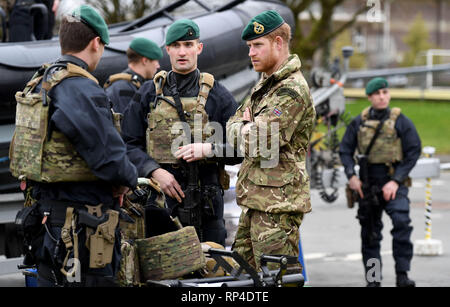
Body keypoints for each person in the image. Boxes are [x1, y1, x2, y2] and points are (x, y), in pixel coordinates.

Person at [9, 5, 137, 286]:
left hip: (48, 222)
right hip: (81, 231)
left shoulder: (41, 82)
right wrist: (130, 179)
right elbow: (109, 158)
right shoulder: (78, 87)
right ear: (96, 43)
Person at [121, 18, 241, 246]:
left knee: (210, 270)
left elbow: (240, 148)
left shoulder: (218, 95)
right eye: (175, 46)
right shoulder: (149, 94)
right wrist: (154, 171)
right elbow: (127, 143)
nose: (182, 52)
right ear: (167, 50)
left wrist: (209, 150)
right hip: (159, 204)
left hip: (207, 205)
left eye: (188, 44)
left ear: (199, 47)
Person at [226, 10, 316, 272]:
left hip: (277, 207)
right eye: (249, 47)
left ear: (278, 43)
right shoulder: (266, 85)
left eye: (257, 45)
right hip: (256, 201)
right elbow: (231, 124)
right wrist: (243, 126)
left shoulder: (291, 90)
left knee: (277, 279)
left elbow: (258, 142)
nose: (251, 53)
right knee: (242, 279)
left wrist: (242, 125)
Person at [339, 77, 421, 287]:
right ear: (369, 97)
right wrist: (352, 176)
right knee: (370, 236)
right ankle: (373, 279)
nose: (382, 97)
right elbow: (345, 150)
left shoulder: (401, 121)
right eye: (377, 94)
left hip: (394, 184)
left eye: (385, 93)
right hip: (367, 185)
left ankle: (402, 275)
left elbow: (413, 151)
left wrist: (396, 180)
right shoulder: (359, 122)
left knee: (402, 224)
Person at [104, 37, 163, 115]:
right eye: (156, 61)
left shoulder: (130, 84)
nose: (158, 66)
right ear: (145, 61)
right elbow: (124, 124)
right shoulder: (123, 89)